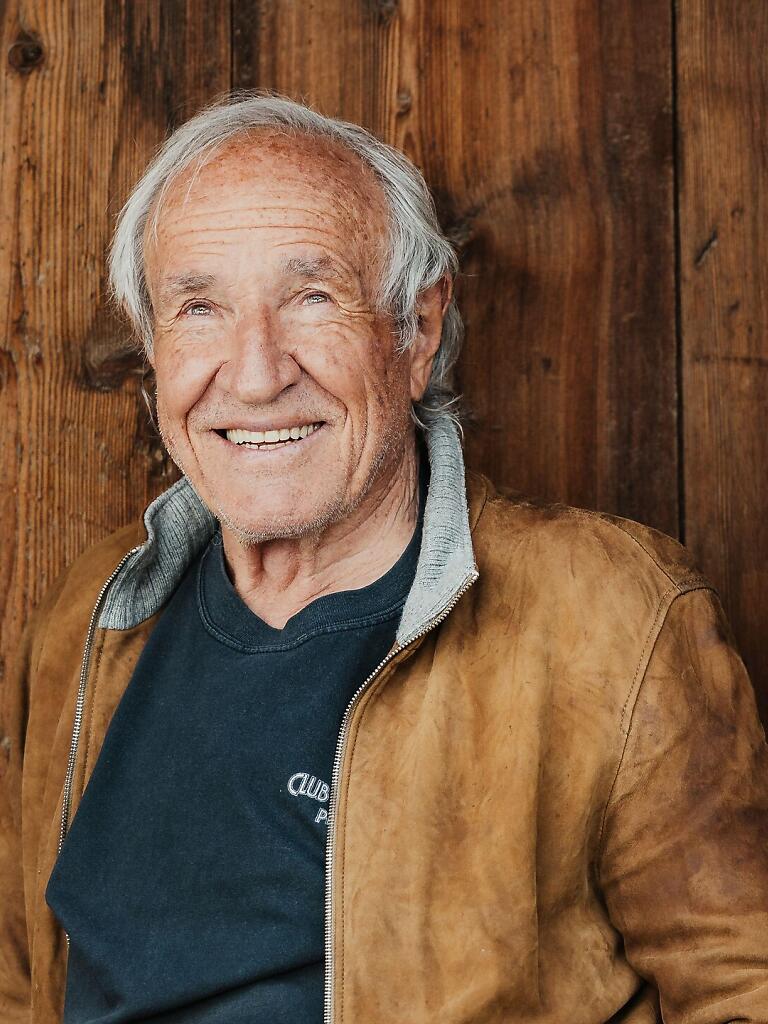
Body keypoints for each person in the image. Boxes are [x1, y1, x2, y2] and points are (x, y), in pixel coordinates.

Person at [1, 92, 767, 1024]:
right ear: (153, 347)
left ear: (417, 330)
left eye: (313, 298)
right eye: (199, 308)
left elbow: (744, 986)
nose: (256, 374)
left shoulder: (612, 616)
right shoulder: (94, 612)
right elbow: (21, 978)